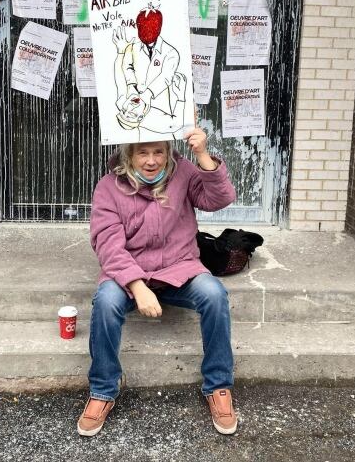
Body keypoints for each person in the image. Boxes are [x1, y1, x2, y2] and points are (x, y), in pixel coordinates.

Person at [77, 128, 238, 437]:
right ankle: (103, 389)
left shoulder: (184, 173)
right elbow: (107, 244)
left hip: (180, 268)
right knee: (106, 301)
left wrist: (203, 154)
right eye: (142, 152)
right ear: (129, 154)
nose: (151, 161)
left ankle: (218, 385)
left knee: (214, 294)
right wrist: (137, 286)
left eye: (158, 152)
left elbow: (221, 198)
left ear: (168, 152)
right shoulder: (108, 187)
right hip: (129, 273)